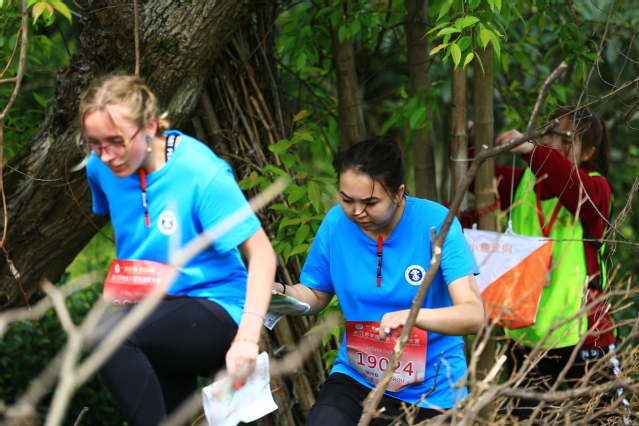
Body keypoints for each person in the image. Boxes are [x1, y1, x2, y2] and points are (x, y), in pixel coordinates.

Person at [80, 75, 276, 426]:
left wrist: (248, 337)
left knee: (107, 334)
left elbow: (262, 254)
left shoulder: (201, 173)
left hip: (216, 309)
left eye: (116, 142)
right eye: (94, 143)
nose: (106, 155)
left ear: (151, 126)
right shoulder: (99, 167)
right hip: (155, 312)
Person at [274, 136, 484, 425]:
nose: (357, 212)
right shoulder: (336, 223)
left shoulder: (436, 222)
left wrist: (412, 317)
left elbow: (473, 314)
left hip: (433, 387)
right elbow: (314, 293)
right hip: (358, 376)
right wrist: (280, 293)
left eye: (370, 202)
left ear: (398, 193)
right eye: (347, 199)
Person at [487, 107, 621, 420]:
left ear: (587, 152)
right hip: (528, 335)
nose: (554, 143)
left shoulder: (597, 189)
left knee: (609, 417)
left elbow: (571, 187)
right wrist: (469, 137)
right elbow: (477, 179)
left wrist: (535, 152)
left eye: (566, 139)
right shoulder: (521, 183)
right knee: (525, 419)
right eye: (551, 135)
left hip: (586, 335)